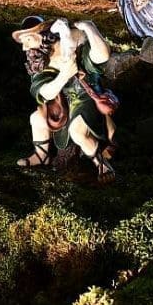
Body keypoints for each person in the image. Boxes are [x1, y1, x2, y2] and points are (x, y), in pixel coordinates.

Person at [13, 16, 117, 182]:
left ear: (44, 36)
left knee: (77, 132)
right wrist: (64, 76)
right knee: (37, 118)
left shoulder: (74, 47)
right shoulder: (40, 63)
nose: (25, 48)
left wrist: (89, 28)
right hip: (61, 105)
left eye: (28, 40)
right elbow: (44, 92)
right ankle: (41, 155)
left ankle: (101, 164)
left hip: (85, 99)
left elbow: (102, 56)